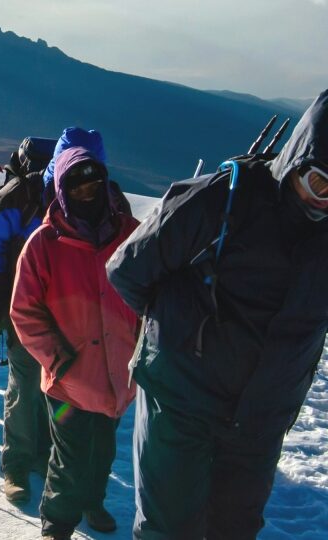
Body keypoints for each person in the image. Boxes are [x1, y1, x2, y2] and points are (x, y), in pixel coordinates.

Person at [106, 90, 328, 540]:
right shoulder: (222, 199)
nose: (326, 201)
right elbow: (128, 270)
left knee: (235, 530)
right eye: (321, 183)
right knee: (168, 531)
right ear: (298, 161)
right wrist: (180, 340)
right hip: (183, 403)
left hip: (261, 421)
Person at [11, 148, 139, 540]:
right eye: (77, 186)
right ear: (62, 190)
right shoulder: (43, 244)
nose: (88, 192)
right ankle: (58, 523)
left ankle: (93, 501)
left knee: (103, 450)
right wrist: (57, 359)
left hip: (120, 372)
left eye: (94, 184)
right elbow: (24, 312)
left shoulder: (131, 233)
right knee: (69, 455)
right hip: (69, 376)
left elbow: (155, 294)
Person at [0, 136, 57, 503]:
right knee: (26, 385)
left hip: (63, 312)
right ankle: (18, 464)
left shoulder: (68, 197)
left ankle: (39, 454)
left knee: (53, 388)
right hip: (24, 309)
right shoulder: (16, 199)